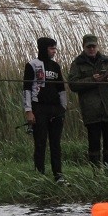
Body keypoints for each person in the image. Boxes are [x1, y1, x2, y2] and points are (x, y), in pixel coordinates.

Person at [67, 34, 108, 170]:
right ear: (84, 47)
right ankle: (95, 174)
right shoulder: (77, 63)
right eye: (89, 47)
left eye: (94, 46)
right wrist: (92, 80)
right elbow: (73, 84)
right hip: (91, 111)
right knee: (94, 145)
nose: (92, 49)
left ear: (97, 46)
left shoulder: (106, 61)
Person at [22, 36, 68, 181]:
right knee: (40, 142)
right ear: (43, 48)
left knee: (56, 143)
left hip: (55, 108)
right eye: (51, 48)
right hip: (39, 107)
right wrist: (28, 111)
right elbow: (27, 89)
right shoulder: (31, 65)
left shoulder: (56, 66)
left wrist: (63, 107)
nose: (54, 51)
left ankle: (58, 175)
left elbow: (61, 88)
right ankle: (39, 175)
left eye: (55, 48)